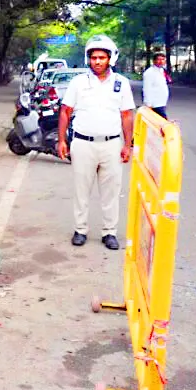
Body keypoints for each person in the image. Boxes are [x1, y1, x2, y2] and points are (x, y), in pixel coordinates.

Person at [57, 35, 136, 250]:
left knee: (111, 191)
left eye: (102, 57)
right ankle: (80, 230)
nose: (97, 61)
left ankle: (109, 232)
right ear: (88, 59)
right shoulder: (78, 82)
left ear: (110, 59)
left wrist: (128, 145)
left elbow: (127, 115)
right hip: (83, 143)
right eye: (94, 57)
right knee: (81, 189)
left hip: (112, 144)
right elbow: (65, 111)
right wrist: (61, 140)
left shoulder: (121, 83)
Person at [142, 52, 171, 119]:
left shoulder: (162, 70)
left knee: (159, 125)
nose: (161, 61)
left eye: (163, 59)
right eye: (159, 59)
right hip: (155, 104)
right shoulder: (149, 73)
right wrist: (148, 104)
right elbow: (147, 89)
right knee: (164, 124)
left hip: (162, 102)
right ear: (154, 61)